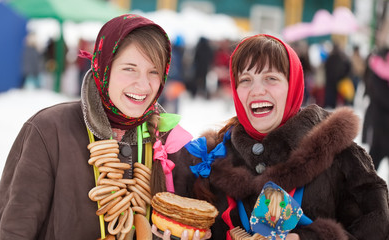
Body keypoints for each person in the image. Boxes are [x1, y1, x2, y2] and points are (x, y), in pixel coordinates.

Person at [0, 14, 195, 240]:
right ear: (104, 66)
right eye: (129, 69)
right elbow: (12, 231)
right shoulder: (48, 130)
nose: (144, 85)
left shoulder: (171, 142)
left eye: (153, 71)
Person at [166, 34, 389, 239]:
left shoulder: (339, 154)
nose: (257, 90)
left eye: (270, 78)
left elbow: (377, 227)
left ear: (293, 86)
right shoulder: (211, 160)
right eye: (246, 80)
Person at [363, 47, 389, 170]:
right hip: (380, 123)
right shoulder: (377, 69)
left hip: (380, 120)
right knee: (373, 161)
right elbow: (376, 91)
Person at [323, 42, 352, 108]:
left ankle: (329, 105)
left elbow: (326, 68)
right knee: (336, 95)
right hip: (337, 80)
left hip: (330, 80)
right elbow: (347, 68)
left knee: (330, 94)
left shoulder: (330, 58)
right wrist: (343, 76)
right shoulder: (341, 58)